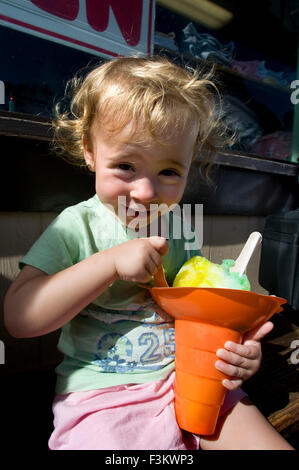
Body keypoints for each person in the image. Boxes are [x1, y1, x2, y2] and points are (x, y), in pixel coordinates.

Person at [3, 57, 293, 450]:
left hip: (187, 376)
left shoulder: (177, 228)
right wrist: (108, 264)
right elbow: (21, 318)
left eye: (170, 172)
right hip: (102, 398)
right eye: (125, 165)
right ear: (90, 151)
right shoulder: (76, 227)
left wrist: (238, 348)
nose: (145, 192)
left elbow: (195, 311)